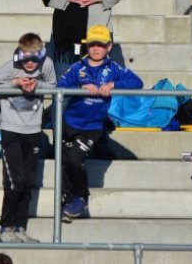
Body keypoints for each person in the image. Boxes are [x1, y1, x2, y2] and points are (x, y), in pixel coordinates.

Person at [57, 25, 143, 222]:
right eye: (92, 45)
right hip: (70, 123)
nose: (96, 49)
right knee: (65, 163)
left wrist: (114, 84)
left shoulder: (114, 69)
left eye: (101, 45)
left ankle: (81, 197)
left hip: (93, 127)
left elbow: (137, 82)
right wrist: (80, 85)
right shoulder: (78, 67)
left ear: (109, 46)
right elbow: (60, 85)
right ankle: (69, 201)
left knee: (75, 159)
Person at [0, 32, 56, 243]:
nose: (29, 63)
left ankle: (20, 227)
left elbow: (54, 87)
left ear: (41, 55)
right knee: (15, 181)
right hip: (11, 129)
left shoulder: (46, 65)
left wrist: (38, 85)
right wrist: (15, 83)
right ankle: (5, 227)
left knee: (28, 182)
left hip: (33, 130)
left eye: (34, 58)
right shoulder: (10, 67)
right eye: (25, 58)